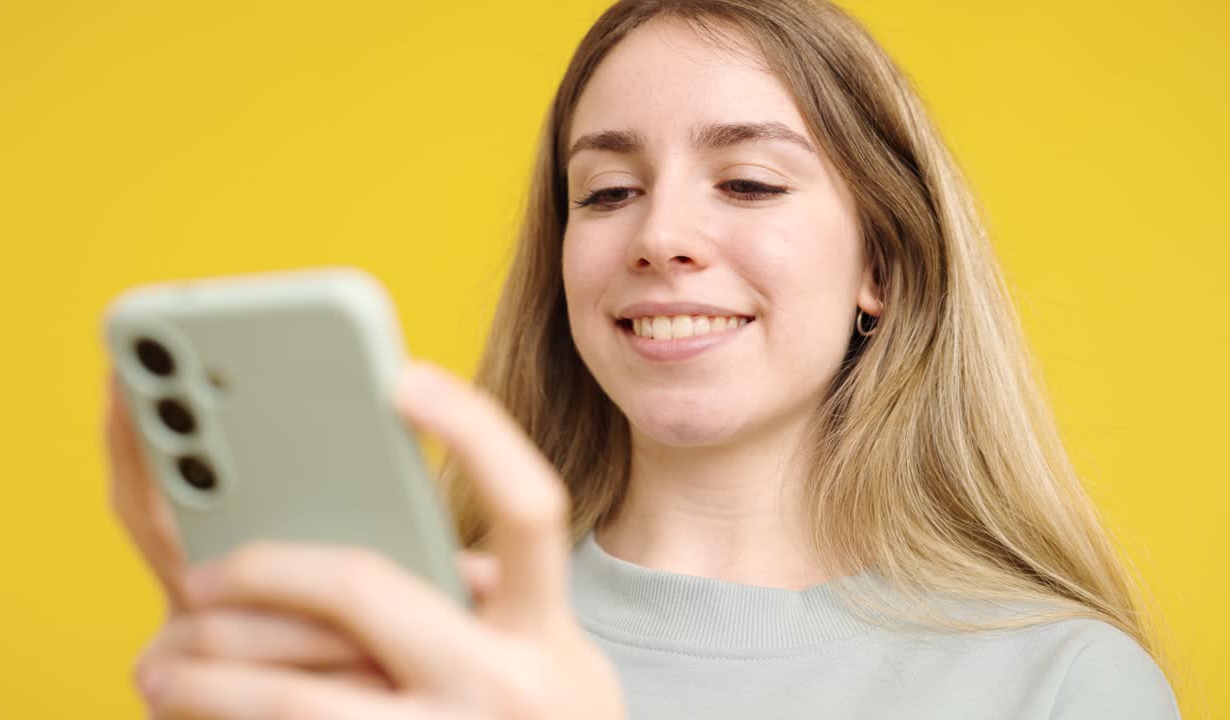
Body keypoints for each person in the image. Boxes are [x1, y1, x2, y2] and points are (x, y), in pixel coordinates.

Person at [103, 0, 1182, 717]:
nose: (658, 236)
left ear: (883, 266)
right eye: (606, 192)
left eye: (748, 183)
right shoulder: (412, 657)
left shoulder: (1061, 684)